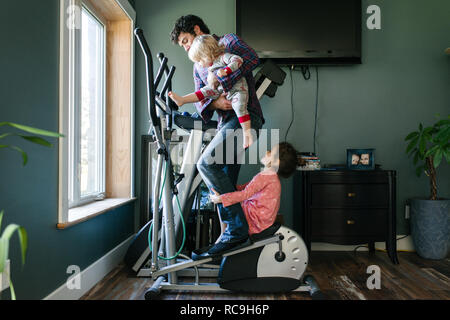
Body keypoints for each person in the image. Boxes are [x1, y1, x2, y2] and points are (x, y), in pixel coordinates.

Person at [170, 15, 265, 256]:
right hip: (225, 122)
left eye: (185, 40)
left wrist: (222, 78)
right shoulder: (197, 65)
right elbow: (203, 101)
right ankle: (229, 245)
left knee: (206, 164)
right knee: (225, 182)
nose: (186, 47)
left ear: (197, 29)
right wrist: (216, 103)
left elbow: (252, 58)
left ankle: (236, 230)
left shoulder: (228, 42)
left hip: (246, 116)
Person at [168, 35, 253, 149]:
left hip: (238, 90)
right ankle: (182, 100)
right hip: (220, 91)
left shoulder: (223, 57)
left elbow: (238, 60)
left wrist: (226, 71)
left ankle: (247, 134)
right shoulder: (210, 66)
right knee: (203, 92)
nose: (200, 64)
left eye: (200, 60)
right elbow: (207, 92)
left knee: (239, 107)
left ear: (207, 54)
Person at [210, 143, 298, 238]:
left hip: (254, 222)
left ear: (277, 162)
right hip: (263, 223)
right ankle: (223, 234)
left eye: (271, 152)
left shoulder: (265, 176)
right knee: (230, 200)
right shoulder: (273, 177)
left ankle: (223, 235)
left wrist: (221, 199)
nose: (267, 152)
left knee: (226, 203)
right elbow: (248, 187)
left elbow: (245, 194)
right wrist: (233, 188)